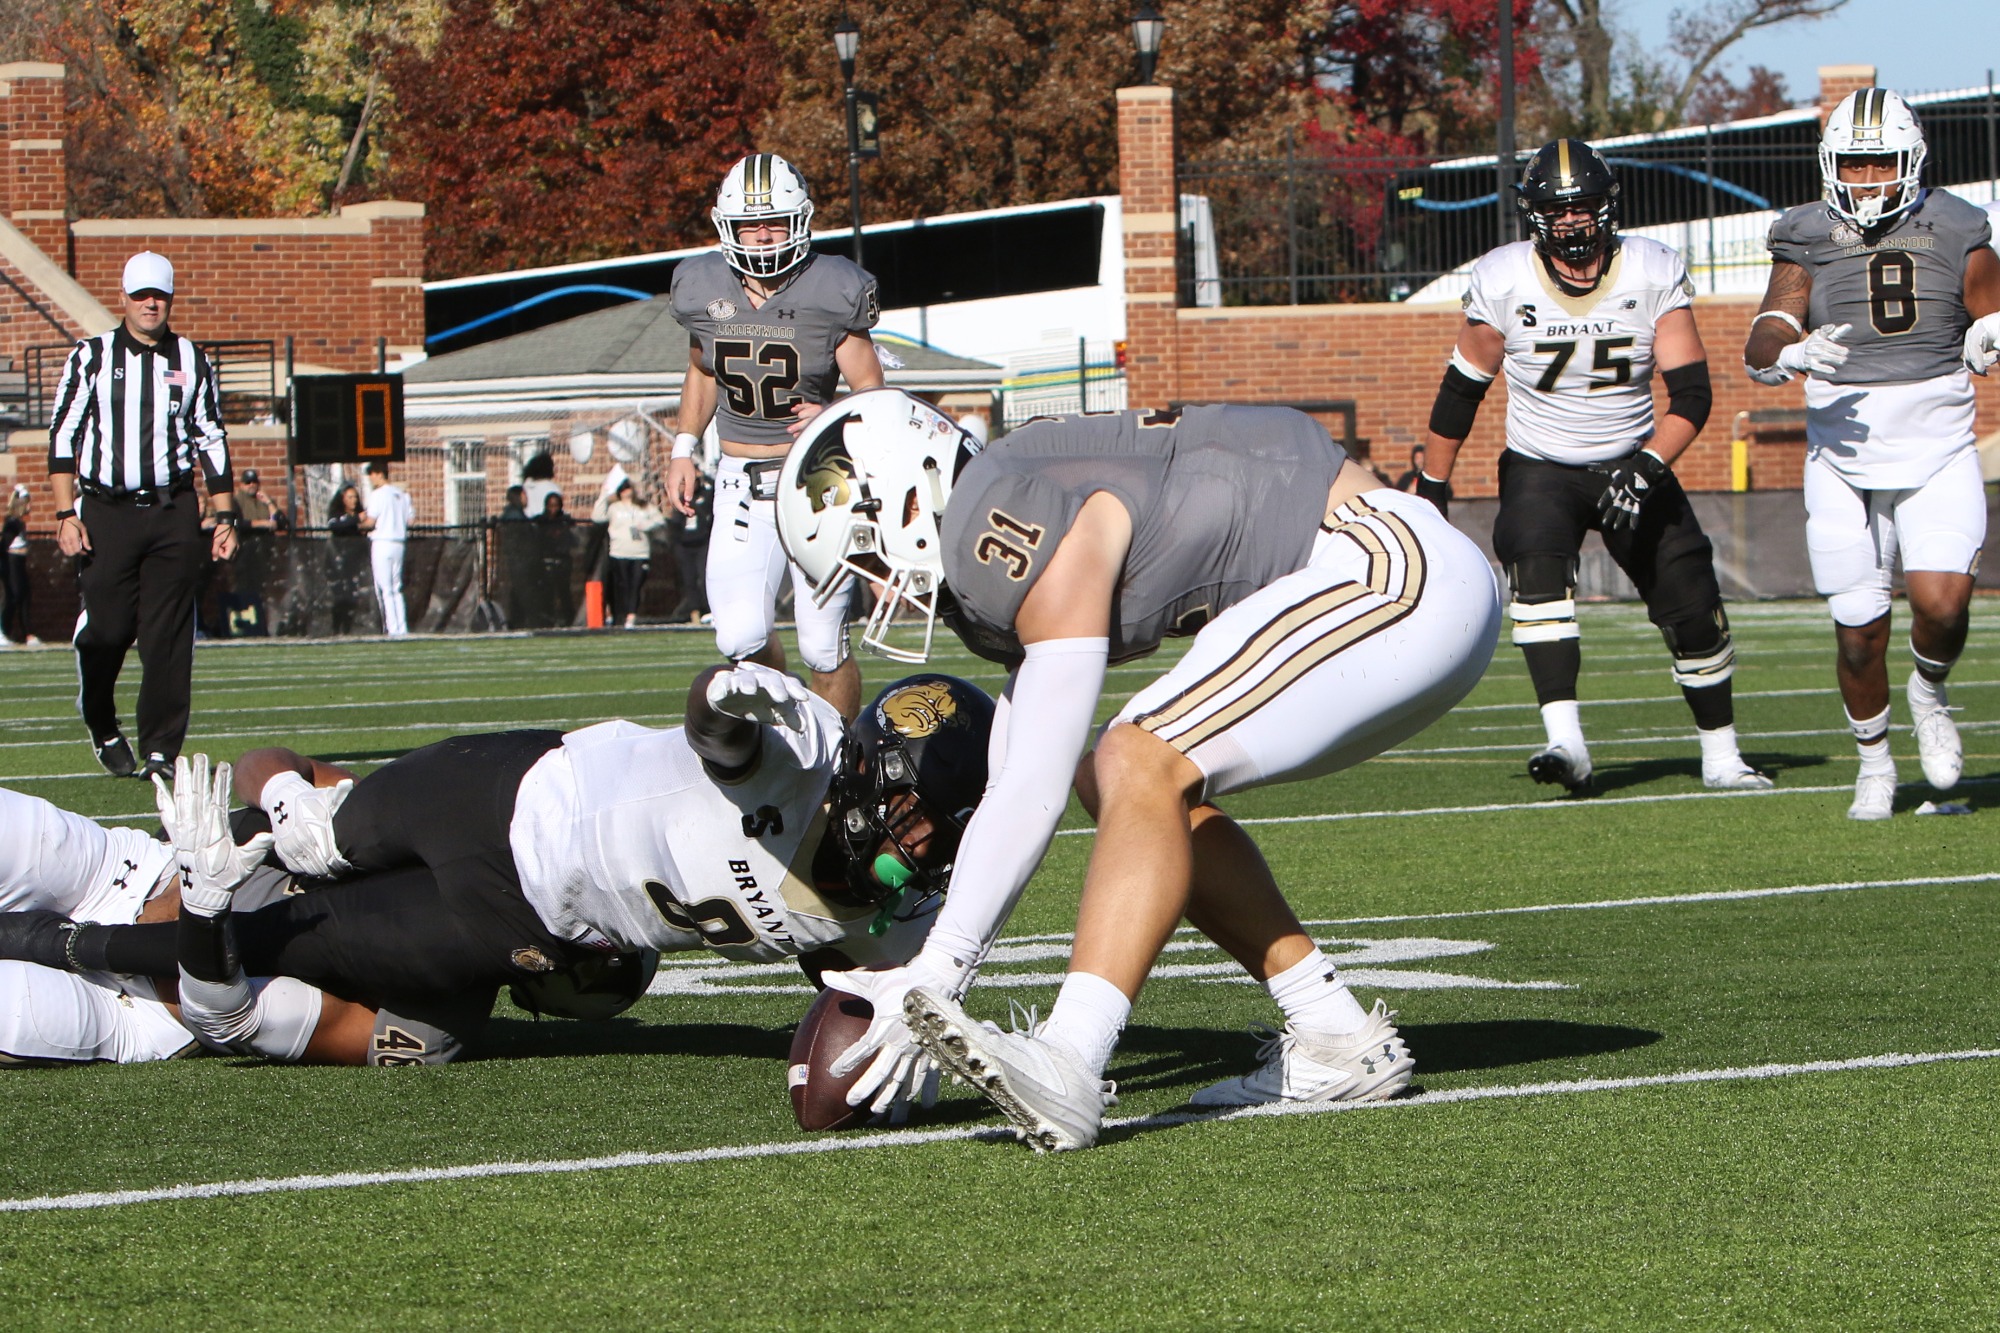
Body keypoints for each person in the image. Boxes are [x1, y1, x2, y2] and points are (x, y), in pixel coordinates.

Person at [775, 389, 1502, 1150]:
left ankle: (1071, 1058)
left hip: (1392, 568)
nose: (879, 582)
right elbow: (1019, 776)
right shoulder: (1018, 488)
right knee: (1124, 784)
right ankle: (1331, 1029)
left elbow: (1029, 790)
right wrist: (932, 968)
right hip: (1393, 575)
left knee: (1137, 756)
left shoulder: (1001, 515)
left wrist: (943, 966)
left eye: (868, 552)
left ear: (907, 495)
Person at [12, 667, 996, 1115]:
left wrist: (895, 1040)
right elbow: (715, 707)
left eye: (939, 833)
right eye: (918, 817)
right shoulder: (795, 755)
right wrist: (738, 693)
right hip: (504, 793)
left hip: (504, 921)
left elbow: (226, 1014)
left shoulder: (444, 1008)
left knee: (296, 932)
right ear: (871, 774)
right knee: (312, 834)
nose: (921, 844)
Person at [1415, 139, 1769, 795]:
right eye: (1559, 208)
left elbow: (1692, 395)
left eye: (1584, 207)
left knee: (1692, 599)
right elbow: (1461, 391)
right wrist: (1432, 486)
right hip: (1541, 463)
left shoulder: (1650, 269)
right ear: (1536, 215)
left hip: (1633, 457)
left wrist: (1647, 467)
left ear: (1608, 209)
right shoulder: (1503, 278)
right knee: (1536, 566)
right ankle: (1566, 743)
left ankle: (1722, 755)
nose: (1573, 221)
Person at [1744, 88, 2000, 820]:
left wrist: (1992, 333)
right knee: (1858, 633)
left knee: (1942, 606)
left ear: (1911, 161)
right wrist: (1789, 349)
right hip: (1842, 454)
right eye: (1852, 166)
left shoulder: (1956, 224)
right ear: (1831, 166)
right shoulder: (1806, 234)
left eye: (1879, 163)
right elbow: (1764, 333)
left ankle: (1928, 690)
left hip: (1937, 445)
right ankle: (1875, 764)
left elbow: (1996, 310)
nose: (1865, 180)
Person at [666, 153, 885, 720]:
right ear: (726, 227)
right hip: (740, 481)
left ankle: (836, 761)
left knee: (822, 645)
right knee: (739, 638)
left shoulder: (834, 285)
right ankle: (789, 723)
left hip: (818, 480)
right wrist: (684, 447)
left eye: (773, 224)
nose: (762, 238)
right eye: (749, 226)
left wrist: (832, 411)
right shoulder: (701, 284)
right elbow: (702, 370)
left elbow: (872, 389)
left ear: (800, 221)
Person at [48, 250, 241, 781]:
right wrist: (66, 512)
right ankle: (100, 717)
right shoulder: (91, 356)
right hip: (106, 508)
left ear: (171, 297)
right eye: (141, 295)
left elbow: (211, 435)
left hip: (172, 506)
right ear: (124, 298)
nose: (150, 304)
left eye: (159, 294)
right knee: (108, 627)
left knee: (168, 634)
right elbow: (63, 434)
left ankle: (161, 749)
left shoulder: (192, 359)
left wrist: (226, 516)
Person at [591, 477, 667, 627]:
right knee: (622, 585)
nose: (627, 491)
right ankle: (620, 614)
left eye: (628, 488)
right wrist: (603, 495)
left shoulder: (643, 506)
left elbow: (660, 520)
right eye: (623, 489)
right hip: (619, 552)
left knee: (636, 584)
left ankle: (631, 616)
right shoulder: (614, 507)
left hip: (640, 552)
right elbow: (597, 517)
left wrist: (647, 525)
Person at [362, 458, 414, 637]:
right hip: (399, 542)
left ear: (378, 474)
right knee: (396, 588)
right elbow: (410, 520)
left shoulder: (378, 495)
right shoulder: (402, 495)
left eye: (372, 475)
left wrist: (359, 524)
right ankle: (401, 627)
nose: (371, 479)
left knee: (385, 588)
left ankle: (392, 629)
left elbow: (370, 522)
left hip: (382, 542)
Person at [226, 468, 280, 636]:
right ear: (241, 484)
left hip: (263, 553)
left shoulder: (263, 500)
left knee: (260, 590)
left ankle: (259, 627)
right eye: (248, 482)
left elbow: (281, 521)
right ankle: (242, 626)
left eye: (254, 482)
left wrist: (270, 504)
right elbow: (237, 523)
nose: (252, 485)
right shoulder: (236, 501)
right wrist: (261, 524)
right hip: (245, 551)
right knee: (243, 588)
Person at [325, 482, 370, 635]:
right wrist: (356, 519)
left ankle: (348, 628)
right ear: (342, 499)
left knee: (352, 596)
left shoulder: (359, 513)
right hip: (337, 561)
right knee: (339, 596)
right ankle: (336, 628)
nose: (354, 500)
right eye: (350, 497)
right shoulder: (338, 514)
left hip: (354, 562)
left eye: (355, 497)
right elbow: (335, 525)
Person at [536, 490, 576, 627]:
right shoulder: (540, 521)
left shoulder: (564, 521)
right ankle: (547, 619)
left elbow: (572, 540)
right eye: (550, 506)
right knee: (547, 592)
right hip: (545, 561)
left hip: (562, 562)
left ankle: (567, 620)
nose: (553, 509)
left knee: (564, 592)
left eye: (556, 506)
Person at [1, 485, 34, 645]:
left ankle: (27, 633)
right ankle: (3, 632)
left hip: (19, 563)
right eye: (27, 503)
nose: (30, 506)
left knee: (24, 596)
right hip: (11, 563)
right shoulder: (12, 523)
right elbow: (4, 545)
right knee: (12, 597)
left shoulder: (19, 523)